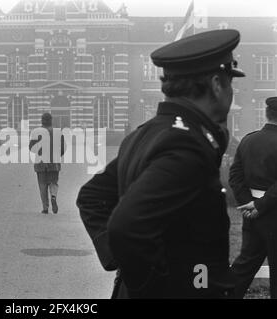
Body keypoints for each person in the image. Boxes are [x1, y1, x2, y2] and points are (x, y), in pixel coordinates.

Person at [77, 29, 246, 298]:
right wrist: (153, 285)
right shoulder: (186, 144)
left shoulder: (147, 133)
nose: (230, 92)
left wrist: (119, 261)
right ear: (217, 84)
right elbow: (126, 225)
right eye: (230, 83)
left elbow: (92, 196)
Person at [229, 97, 277, 299]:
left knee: (244, 266)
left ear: (267, 114)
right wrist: (260, 205)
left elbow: (235, 176)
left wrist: (248, 204)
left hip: (252, 213)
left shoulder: (248, 139)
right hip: (273, 211)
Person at [29, 113, 65, 214]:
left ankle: (45, 208)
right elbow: (62, 149)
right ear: (51, 120)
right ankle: (53, 196)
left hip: (40, 163)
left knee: (42, 185)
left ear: (42, 120)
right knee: (53, 182)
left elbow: (31, 148)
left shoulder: (36, 132)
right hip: (54, 162)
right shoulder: (58, 132)